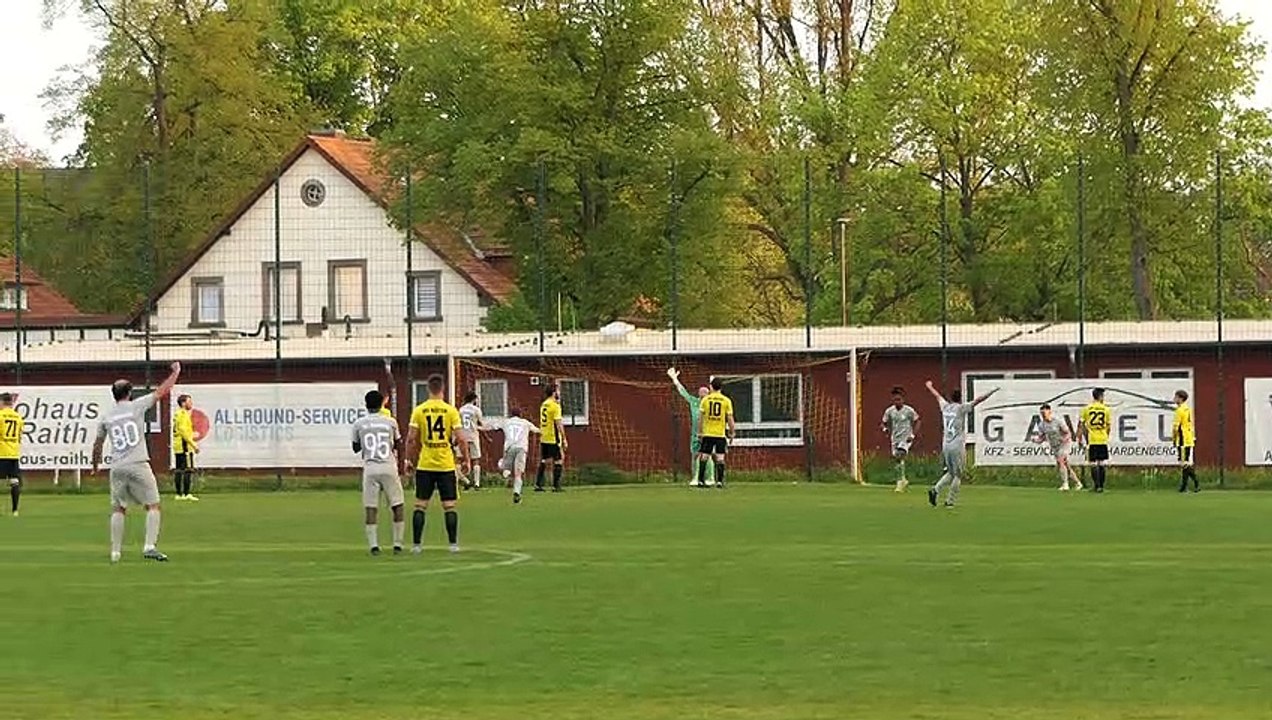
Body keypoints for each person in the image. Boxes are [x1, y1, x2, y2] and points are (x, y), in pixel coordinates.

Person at [92, 362, 182, 563]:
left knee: (118, 508)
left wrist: (95, 465)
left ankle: (115, 552)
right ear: (130, 392)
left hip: (117, 466)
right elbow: (162, 391)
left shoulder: (107, 416)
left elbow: (98, 444)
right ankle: (149, 546)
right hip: (138, 462)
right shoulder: (136, 406)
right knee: (153, 505)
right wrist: (176, 372)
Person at [403, 374, 470, 554]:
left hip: (425, 464)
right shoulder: (450, 411)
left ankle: (417, 546)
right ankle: (453, 545)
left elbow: (411, 439)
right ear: (442, 389)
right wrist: (466, 459)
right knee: (449, 506)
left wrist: (409, 460)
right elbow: (462, 439)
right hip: (445, 464)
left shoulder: (419, 410)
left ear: (428, 389)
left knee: (420, 505)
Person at [924, 380, 998, 508]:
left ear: (951, 397)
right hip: (957, 445)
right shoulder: (961, 408)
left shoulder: (945, 406)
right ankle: (950, 501)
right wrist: (992, 391)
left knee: (951, 473)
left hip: (945, 444)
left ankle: (935, 490)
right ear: (960, 398)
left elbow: (937, 396)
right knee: (958, 475)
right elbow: (979, 400)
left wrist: (930, 386)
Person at [352, 390, 406, 555]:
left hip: (370, 468)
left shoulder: (359, 423)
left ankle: (374, 546)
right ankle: (397, 544)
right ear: (382, 403)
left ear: (366, 405)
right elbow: (398, 443)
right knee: (397, 505)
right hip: (388, 466)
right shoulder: (390, 422)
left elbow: (356, 447)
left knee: (371, 507)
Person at [667, 368, 715, 486]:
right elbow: (683, 392)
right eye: (701, 392)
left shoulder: (711, 402)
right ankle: (696, 477)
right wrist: (675, 379)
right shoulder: (694, 402)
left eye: (705, 391)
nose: (703, 393)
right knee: (695, 455)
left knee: (706, 455)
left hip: (707, 432)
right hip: (695, 433)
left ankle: (710, 477)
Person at [1032, 403, 1082, 491]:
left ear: (1049, 412)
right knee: (1064, 464)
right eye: (1042, 414)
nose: (1043, 415)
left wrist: (1064, 439)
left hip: (1064, 444)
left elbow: (1068, 433)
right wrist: (1036, 440)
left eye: (1045, 413)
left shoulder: (1057, 421)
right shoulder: (1042, 425)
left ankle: (1065, 484)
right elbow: (1042, 438)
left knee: (1061, 460)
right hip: (1055, 446)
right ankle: (1078, 483)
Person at [697, 378, 735, 489]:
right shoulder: (726, 401)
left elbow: (700, 418)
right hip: (720, 434)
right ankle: (719, 481)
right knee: (720, 457)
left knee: (704, 456)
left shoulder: (705, 400)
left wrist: (700, 432)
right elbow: (730, 418)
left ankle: (700, 480)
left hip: (708, 433)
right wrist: (732, 432)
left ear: (711, 387)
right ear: (721, 387)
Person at [498, 407, 541, 504]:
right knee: (518, 473)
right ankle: (516, 492)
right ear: (520, 414)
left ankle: (507, 474)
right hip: (521, 448)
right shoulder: (525, 422)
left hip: (509, 448)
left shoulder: (506, 422)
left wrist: (479, 427)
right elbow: (536, 430)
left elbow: (493, 426)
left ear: (511, 414)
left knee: (505, 467)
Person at [881, 386, 920, 492]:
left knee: (899, 455)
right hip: (895, 439)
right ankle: (903, 479)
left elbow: (917, 421)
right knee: (897, 460)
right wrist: (885, 429)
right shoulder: (890, 411)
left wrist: (912, 435)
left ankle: (899, 482)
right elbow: (883, 423)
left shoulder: (909, 410)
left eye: (899, 399)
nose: (897, 402)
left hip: (906, 439)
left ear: (903, 399)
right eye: (895, 400)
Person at [1078, 388, 1113, 493]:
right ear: (1101, 397)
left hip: (1092, 439)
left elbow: (1081, 424)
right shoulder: (1106, 409)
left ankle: (1096, 486)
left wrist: (1081, 437)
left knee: (1093, 463)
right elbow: (1108, 426)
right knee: (1101, 462)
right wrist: (1106, 435)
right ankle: (1101, 487)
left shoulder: (1087, 409)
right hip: (1102, 438)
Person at [535, 383, 567, 493]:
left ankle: (538, 484)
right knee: (559, 460)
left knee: (544, 460)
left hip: (544, 436)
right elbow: (558, 423)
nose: (559, 393)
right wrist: (564, 438)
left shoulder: (544, 404)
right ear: (554, 392)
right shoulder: (555, 406)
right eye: (558, 391)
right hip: (553, 437)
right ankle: (556, 486)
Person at [459, 391, 490, 490]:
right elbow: (481, 424)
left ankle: (465, 480)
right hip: (473, 436)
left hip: (462, 437)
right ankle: (476, 483)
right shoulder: (476, 410)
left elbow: (458, 425)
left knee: (459, 460)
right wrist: (487, 437)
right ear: (473, 399)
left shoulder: (461, 410)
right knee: (475, 460)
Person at [172, 393, 200, 501]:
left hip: (178, 445)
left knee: (179, 469)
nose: (191, 403)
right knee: (187, 469)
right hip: (184, 445)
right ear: (183, 403)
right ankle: (186, 493)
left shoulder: (177, 414)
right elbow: (183, 432)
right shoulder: (183, 414)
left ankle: (179, 494)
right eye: (189, 401)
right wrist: (193, 444)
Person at [0, 392, 23, 517]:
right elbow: (19, 435)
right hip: (13, 453)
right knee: (14, 481)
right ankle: (15, 510)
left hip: (1, 452)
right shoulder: (18, 417)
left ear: (2, 402)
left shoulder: (0, 415)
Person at [1173, 389, 1199, 493]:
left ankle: (1196, 483)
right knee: (1185, 463)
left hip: (1183, 439)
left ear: (1180, 398)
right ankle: (1184, 487)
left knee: (1183, 463)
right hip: (1188, 438)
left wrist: (1174, 438)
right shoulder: (1187, 409)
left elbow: (1176, 427)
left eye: (1176, 397)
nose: (1174, 399)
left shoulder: (1179, 411)